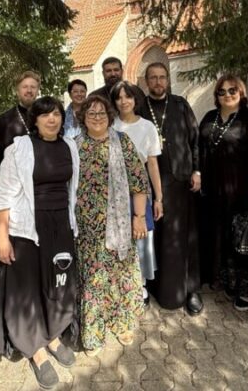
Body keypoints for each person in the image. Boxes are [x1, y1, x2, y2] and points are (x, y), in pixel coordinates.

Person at [0, 97, 79, 390]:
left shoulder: (70, 146)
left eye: (56, 114)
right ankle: (35, 349)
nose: (52, 119)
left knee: (56, 283)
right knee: (29, 287)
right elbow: (4, 195)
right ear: (34, 120)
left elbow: (71, 188)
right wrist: (2, 236)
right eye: (45, 115)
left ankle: (52, 335)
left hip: (60, 225)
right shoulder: (20, 148)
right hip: (27, 228)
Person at [74, 95, 150, 355]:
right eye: (91, 113)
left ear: (109, 116)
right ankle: (94, 332)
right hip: (87, 229)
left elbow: (139, 182)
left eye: (101, 113)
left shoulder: (122, 141)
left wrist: (139, 217)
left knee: (121, 274)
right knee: (94, 279)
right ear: (83, 118)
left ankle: (122, 323)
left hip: (119, 225)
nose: (97, 117)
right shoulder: (75, 145)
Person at [141, 62, 204, 315]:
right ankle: (154, 287)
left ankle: (191, 289)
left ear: (167, 80)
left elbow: (195, 139)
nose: (158, 82)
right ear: (146, 82)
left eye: (161, 77)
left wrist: (197, 171)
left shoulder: (180, 105)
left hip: (181, 182)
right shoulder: (140, 108)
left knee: (184, 237)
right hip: (151, 184)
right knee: (157, 238)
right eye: (153, 78)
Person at [198, 74, 248, 311]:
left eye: (232, 90)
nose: (227, 95)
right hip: (214, 189)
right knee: (224, 236)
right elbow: (200, 149)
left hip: (242, 189)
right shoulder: (210, 117)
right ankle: (229, 281)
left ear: (241, 92)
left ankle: (247, 289)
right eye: (222, 91)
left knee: (244, 237)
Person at [110, 80, 163, 306]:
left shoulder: (147, 127)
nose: (124, 101)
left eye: (128, 96)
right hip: (114, 190)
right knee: (119, 237)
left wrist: (159, 198)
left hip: (140, 190)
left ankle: (140, 285)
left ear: (135, 99)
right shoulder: (110, 125)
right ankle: (120, 284)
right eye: (119, 97)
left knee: (140, 235)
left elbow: (152, 164)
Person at [0, 70, 40, 169]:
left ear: (38, 91)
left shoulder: (46, 116)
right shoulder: (5, 119)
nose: (29, 90)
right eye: (25, 87)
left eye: (33, 87)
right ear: (17, 91)